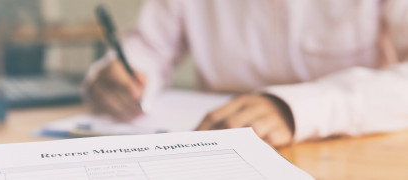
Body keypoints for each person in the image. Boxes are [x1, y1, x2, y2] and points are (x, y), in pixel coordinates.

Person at [84, 0, 408, 148]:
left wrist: (295, 108)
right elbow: (147, 48)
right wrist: (124, 74)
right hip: (216, 147)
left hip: (351, 149)